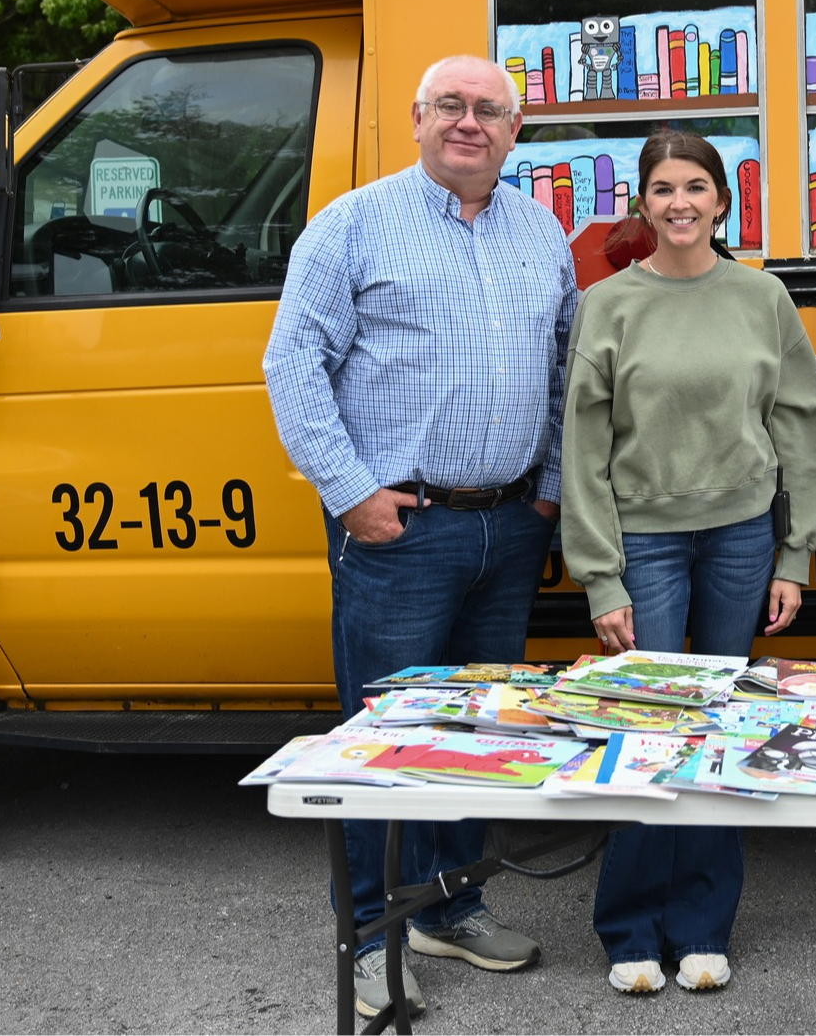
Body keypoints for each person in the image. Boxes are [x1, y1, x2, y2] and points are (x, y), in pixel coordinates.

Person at [263, 55, 575, 1020]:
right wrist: (351, 491)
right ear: (417, 117)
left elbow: (566, 368)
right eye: (452, 105)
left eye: (489, 110)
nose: (470, 123)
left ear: (515, 131)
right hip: (400, 526)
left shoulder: (542, 232)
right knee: (383, 740)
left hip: (509, 523)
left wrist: (554, 487)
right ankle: (366, 932)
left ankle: (453, 904)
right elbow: (293, 363)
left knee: (481, 736)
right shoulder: (353, 225)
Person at [560, 129, 816, 996]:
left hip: (741, 539)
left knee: (720, 730)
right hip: (644, 542)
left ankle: (704, 926)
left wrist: (797, 551)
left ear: (722, 198)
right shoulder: (610, 305)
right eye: (663, 188)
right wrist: (601, 572)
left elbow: (801, 424)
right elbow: (583, 447)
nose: (680, 202)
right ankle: (631, 927)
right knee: (645, 727)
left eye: (697, 186)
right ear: (643, 203)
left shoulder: (762, 296)